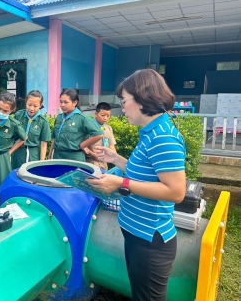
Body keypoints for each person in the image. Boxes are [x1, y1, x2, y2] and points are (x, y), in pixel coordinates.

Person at [86, 69, 186, 301]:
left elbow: (176, 191)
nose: (122, 108)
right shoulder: (150, 132)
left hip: (150, 241)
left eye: (124, 101)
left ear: (142, 99)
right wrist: (117, 160)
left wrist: (121, 182)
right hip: (137, 234)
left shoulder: (163, 137)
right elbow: (149, 174)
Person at [48, 89, 103, 161]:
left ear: (75, 103)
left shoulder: (82, 118)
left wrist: (82, 145)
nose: (62, 105)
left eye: (66, 102)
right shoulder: (59, 118)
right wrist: (49, 156)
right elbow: (54, 139)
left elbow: (98, 134)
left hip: (74, 157)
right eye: (61, 102)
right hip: (57, 156)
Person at [11, 90, 51, 169]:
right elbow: (12, 135)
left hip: (33, 155)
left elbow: (43, 144)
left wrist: (41, 163)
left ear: (40, 105)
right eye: (29, 105)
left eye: (35, 106)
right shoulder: (19, 115)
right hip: (17, 152)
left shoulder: (43, 121)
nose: (31, 108)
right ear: (26, 102)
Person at [83, 102, 116, 171]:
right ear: (96, 114)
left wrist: (116, 159)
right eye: (103, 115)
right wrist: (93, 155)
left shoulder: (108, 128)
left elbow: (111, 146)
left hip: (104, 164)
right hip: (91, 162)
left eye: (108, 116)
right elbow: (83, 145)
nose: (105, 118)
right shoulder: (88, 127)